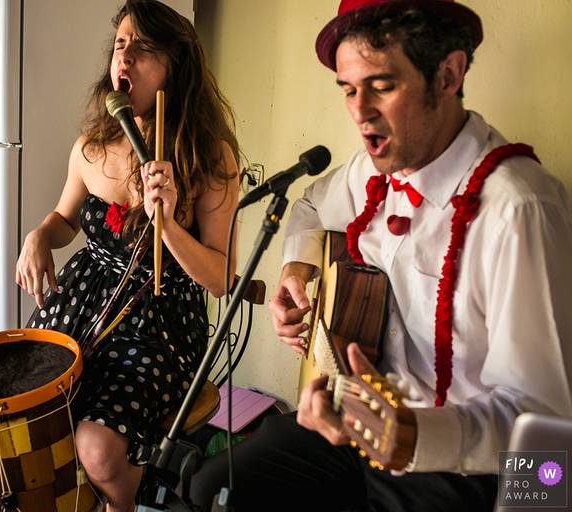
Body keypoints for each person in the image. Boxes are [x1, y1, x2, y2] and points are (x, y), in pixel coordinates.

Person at [191, 0, 572, 510]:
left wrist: (416, 437)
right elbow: (307, 205)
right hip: (359, 426)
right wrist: (295, 271)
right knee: (214, 485)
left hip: (459, 465)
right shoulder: (371, 172)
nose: (358, 110)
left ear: (447, 74)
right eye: (348, 89)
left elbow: (547, 434)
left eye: (382, 86)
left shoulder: (518, 208)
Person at [14, 1, 239, 510]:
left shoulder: (210, 157)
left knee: (97, 446)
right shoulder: (92, 145)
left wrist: (170, 225)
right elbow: (64, 221)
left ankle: (136, 500)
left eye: (142, 49)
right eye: (120, 45)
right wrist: (37, 237)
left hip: (158, 318)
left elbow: (222, 279)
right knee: (33, 413)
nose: (124, 58)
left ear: (174, 67)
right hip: (83, 303)